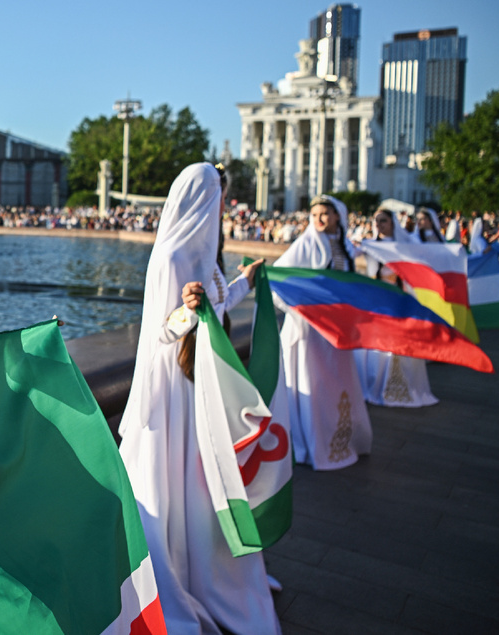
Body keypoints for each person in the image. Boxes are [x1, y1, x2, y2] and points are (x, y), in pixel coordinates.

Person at [118, 163, 275, 635]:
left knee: (201, 480)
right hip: (174, 389)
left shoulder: (208, 254)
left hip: (198, 381)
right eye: (215, 193)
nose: (221, 203)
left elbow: (217, 304)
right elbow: (161, 333)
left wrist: (245, 282)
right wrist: (187, 312)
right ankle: (176, 571)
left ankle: (207, 567)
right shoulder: (169, 257)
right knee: (176, 479)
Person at [275, 195, 373, 470]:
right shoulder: (305, 244)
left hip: (337, 329)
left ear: (338, 216)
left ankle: (341, 437)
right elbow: (278, 278)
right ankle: (310, 441)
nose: (319, 219)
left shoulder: (343, 246)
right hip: (311, 330)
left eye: (325, 214)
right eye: (315, 214)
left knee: (337, 380)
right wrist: (303, 311)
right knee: (314, 380)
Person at [355, 209, 438, 407]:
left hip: (401, 298)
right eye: (376, 221)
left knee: (400, 341)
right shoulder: (371, 245)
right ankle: (376, 384)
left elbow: (425, 258)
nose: (379, 225)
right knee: (378, 342)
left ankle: (398, 385)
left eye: (383, 220)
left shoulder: (405, 245)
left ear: (392, 222)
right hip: (378, 300)